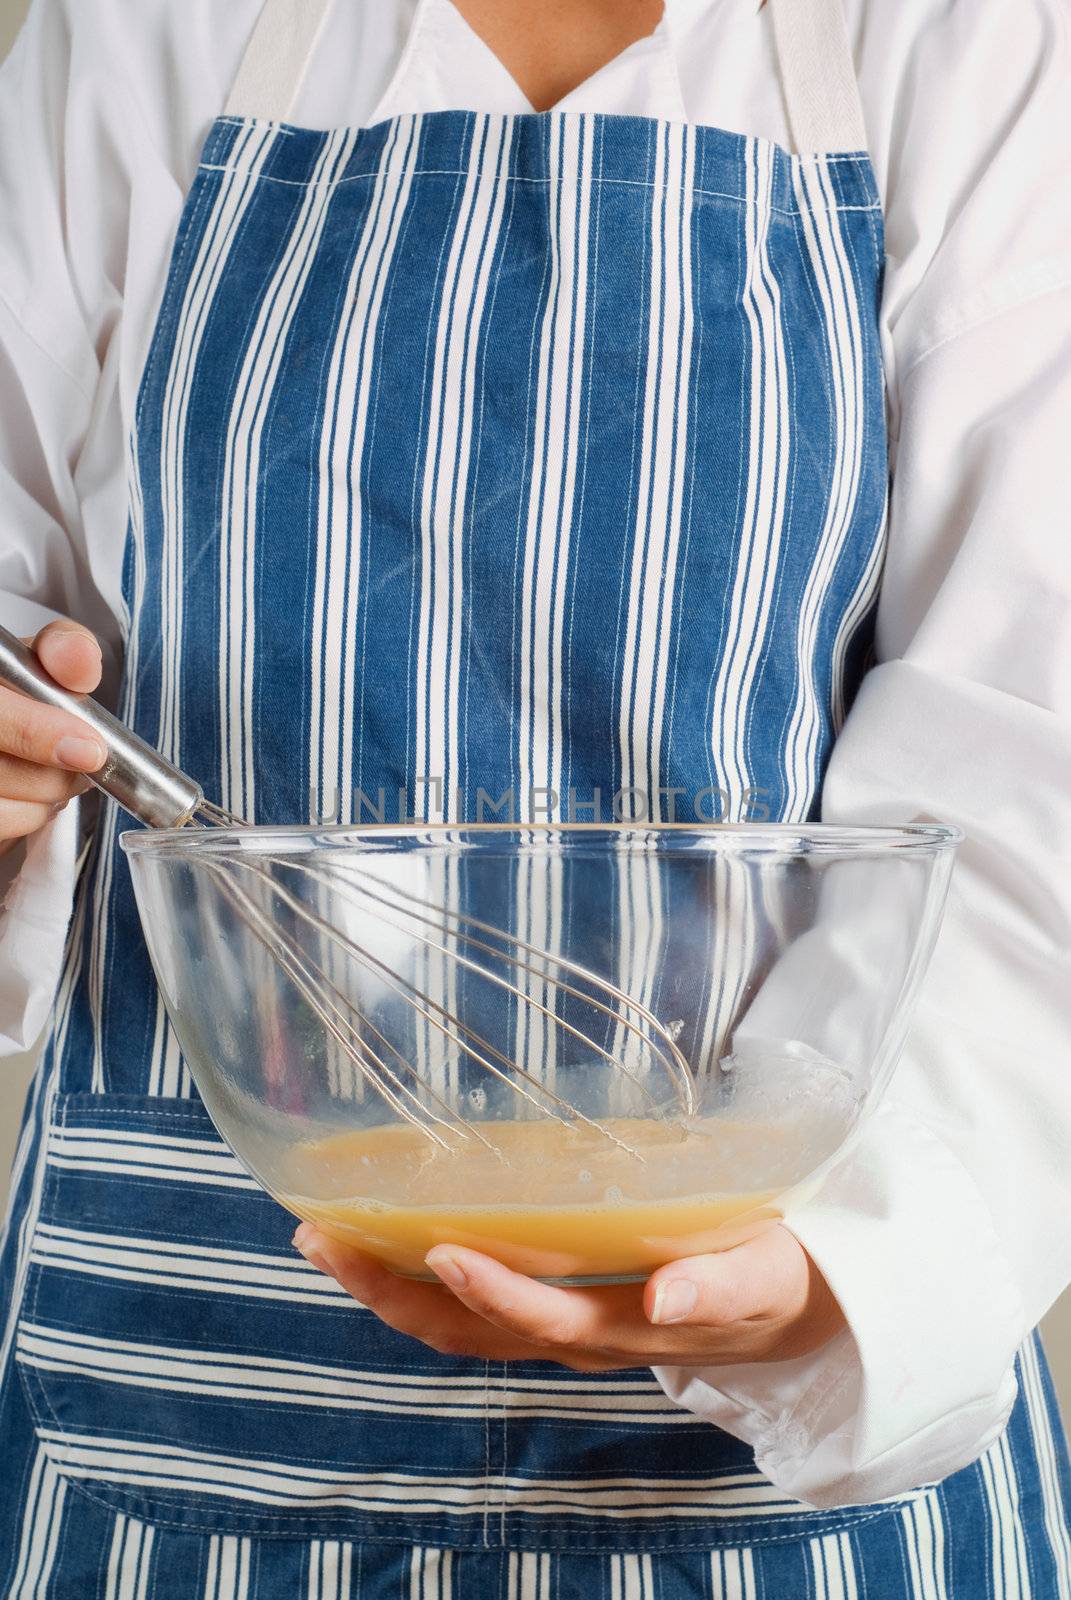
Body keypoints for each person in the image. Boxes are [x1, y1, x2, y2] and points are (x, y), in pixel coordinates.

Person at [0, 0, 1069, 1593]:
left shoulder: (972, 44)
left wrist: (848, 1264)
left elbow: (1031, 760)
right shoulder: (143, 29)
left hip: (781, 1474)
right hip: (175, 1440)